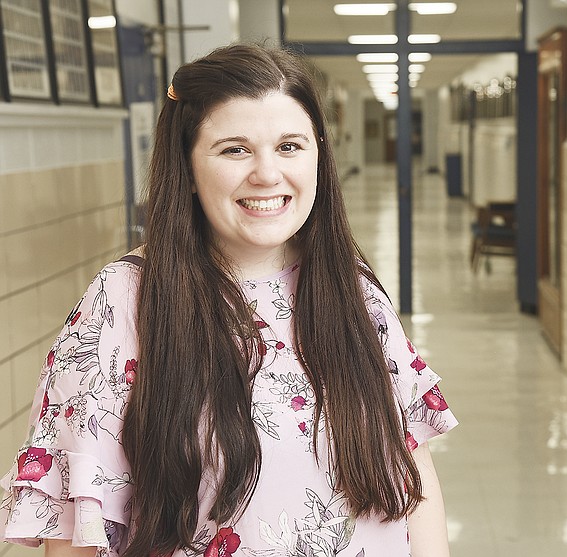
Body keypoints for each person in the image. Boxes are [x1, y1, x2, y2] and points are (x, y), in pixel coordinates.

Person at [0, 43, 457, 557]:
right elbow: (76, 529)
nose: (267, 173)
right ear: (187, 168)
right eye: (234, 149)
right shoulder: (125, 301)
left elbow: (412, 477)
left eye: (290, 146)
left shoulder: (351, 289)